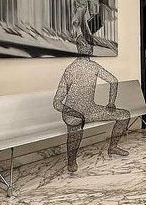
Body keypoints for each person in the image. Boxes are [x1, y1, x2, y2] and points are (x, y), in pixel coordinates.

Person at [53, 37, 131, 172]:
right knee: (76, 123)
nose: (89, 48)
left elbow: (113, 81)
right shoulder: (70, 70)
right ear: (79, 48)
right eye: (85, 45)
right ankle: (71, 161)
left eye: (90, 45)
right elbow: (57, 103)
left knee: (124, 115)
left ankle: (113, 147)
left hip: (90, 110)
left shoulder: (94, 66)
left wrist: (111, 102)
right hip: (72, 112)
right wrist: (75, 113)